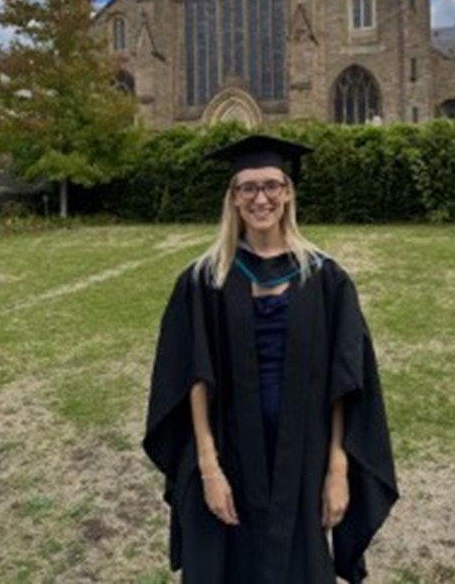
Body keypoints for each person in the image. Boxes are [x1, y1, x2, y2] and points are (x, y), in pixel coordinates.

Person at [143, 135, 398, 584]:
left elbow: (347, 379)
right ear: (233, 198)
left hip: (304, 455)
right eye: (248, 188)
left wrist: (338, 469)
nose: (261, 198)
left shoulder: (326, 278)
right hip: (228, 450)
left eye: (271, 186)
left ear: (288, 193)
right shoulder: (205, 279)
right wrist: (207, 467)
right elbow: (192, 376)